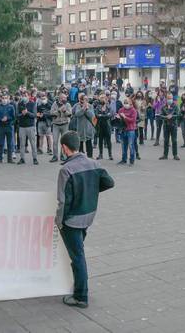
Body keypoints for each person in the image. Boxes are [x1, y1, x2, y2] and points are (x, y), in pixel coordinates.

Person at [55, 131, 115, 309]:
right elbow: (109, 182)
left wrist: (59, 222)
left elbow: (63, 201)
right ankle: (78, 287)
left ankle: (81, 296)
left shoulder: (66, 169)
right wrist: (90, 192)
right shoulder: (94, 163)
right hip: (88, 215)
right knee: (78, 253)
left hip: (72, 220)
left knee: (78, 257)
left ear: (64, 148)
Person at [17, 93, 38, 165]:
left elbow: (34, 115)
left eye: (26, 95)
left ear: (28, 96)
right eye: (23, 96)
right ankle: (22, 158)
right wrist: (22, 114)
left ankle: (35, 158)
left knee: (33, 143)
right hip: (22, 127)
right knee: (22, 144)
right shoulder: (20, 104)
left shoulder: (32, 104)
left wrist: (27, 112)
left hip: (30, 126)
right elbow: (17, 115)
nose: (24, 97)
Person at [0, 95, 16, 164]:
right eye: (3, 98)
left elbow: (14, 117)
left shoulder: (11, 107)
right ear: (1, 99)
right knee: (0, 143)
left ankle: (10, 159)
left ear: (8, 99)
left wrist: (8, 120)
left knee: (10, 143)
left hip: (9, 127)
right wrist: (1, 119)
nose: (4, 99)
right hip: (1, 127)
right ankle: (0, 159)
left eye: (5, 98)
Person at [116, 97, 137, 166]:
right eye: (124, 103)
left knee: (131, 145)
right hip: (123, 130)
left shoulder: (133, 110)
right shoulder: (121, 110)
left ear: (130, 103)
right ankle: (124, 159)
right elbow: (118, 120)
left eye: (127, 103)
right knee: (123, 146)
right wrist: (118, 117)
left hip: (130, 130)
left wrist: (125, 117)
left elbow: (132, 120)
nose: (125, 104)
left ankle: (131, 160)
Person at [159, 94, 180, 160]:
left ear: (172, 98)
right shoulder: (163, 107)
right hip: (166, 125)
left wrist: (172, 116)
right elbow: (160, 115)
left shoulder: (175, 106)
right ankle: (165, 155)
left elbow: (178, 115)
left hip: (173, 125)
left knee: (174, 140)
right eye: (168, 98)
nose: (169, 100)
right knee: (166, 141)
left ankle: (175, 155)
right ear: (166, 99)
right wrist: (166, 117)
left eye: (170, 98)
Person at [94, 94, 113, 160]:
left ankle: (110, 155)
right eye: (101, 98)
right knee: (100, 140)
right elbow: (96, 115)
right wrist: (105, 115)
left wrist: (101, 115)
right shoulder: (97, 107)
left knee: (108, 141)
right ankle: (100, 154)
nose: (102, 99)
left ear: (106, 99)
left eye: (103, 98)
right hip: (100, 126)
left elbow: (110, 115)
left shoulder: (109, 107)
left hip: (107, 126)